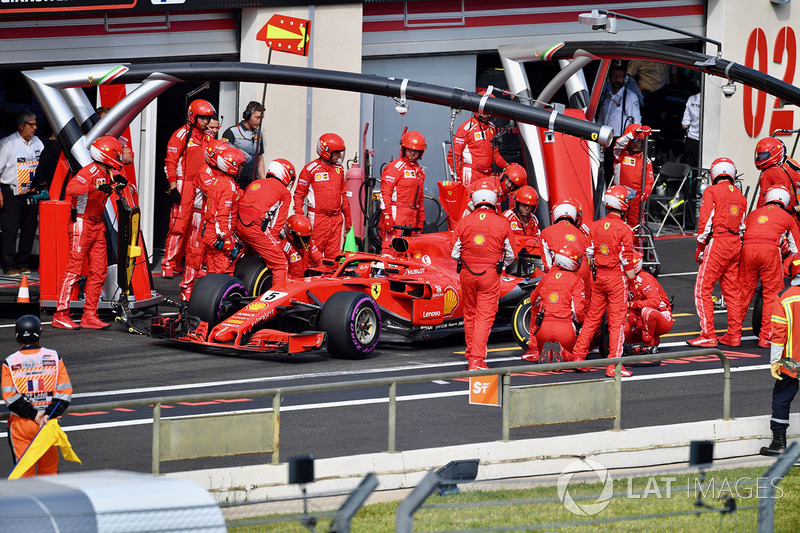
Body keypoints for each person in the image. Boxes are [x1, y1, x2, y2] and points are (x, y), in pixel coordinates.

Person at [53, 136, 126, 330]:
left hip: (97, 225)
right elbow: (71, 188)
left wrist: (117, 183)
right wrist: (96, 187)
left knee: (99, 270)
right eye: (116, 154)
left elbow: (107, 185)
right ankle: (60, 314)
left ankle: (89, 314)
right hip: (81, 224)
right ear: (107, 154)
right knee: (74, 270)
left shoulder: (107, 171)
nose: (119, 156)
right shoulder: (91, 171)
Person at [571, 185, 637, 378]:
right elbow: (627, 260)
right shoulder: (625, 229)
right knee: (617, 323)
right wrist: (632, 283)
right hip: (617, 278)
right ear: (622, 204)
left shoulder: (596, 226)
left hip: (598, 276)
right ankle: (614, 365)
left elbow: (589, 253)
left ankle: (578, 357)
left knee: (592, 319)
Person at [451, 184, 515, 371]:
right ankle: (477, 360)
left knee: (470, 314)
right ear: (494, 203)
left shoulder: (465, 221)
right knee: (484, 316)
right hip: (489, 273)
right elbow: (511, 253)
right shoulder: (502, 223)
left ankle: (471, 352)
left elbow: (454, 252)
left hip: (467, 273)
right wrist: (500, 264)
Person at [727, 186, 800, 348]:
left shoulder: (754, 214)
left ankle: (734, 334)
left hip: (747, 250)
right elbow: (797, 250)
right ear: (785, 201)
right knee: (771, 294)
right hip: (770, 252)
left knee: (743, 292)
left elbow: (740, 233)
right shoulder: (788, 218)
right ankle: (766, 336)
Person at [2, 315, 72, 477]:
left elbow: (10, 397)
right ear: (39, 334)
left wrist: (34, 415)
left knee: (23, 473)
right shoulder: (54, 357)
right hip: (47, 424)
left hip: (22, 425)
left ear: (17, 336)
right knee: (49, 473)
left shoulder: (10, 362)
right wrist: (46, 414)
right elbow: (65, 392)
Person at [689, 157, 747, 347]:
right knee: (732, 291)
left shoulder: (711, 190)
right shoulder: (740, 196)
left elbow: (705, 222)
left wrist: (700, 247)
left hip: (718, 242)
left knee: (702, 289)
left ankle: (708, 334)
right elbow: (742, 226)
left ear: (715, 173)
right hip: (735, 243)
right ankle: (734, 334)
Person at [161, 99, 214, 279]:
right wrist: (173, 186)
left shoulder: (208, 138)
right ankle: (168, 263)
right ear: (193, 116)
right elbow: (171, 161)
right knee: (178, 225)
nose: (206, 122)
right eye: (203, 118)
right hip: (184, 184)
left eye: (208, 118)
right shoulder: (181, 134)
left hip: (202, 186)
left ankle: (192, 265)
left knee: (197, 228)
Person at [760, 253, 800, 456]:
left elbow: (778, 334)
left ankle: (779, 443)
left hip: (792, 361)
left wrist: (774, 361)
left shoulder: (785, 296)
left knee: (782, 398)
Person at [522, 242, 587, 364]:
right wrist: (583, 323)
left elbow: (533, 300)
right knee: (578, 353)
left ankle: (541, 351)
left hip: (543, 330)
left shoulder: (546, 278)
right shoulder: (577, 281)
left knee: (535, 311)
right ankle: (564, 352)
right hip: (564, 329)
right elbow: (578, 311)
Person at [237, 159, 297, 290]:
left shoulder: (256, 182)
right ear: (285, 175)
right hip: (256, 229)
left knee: (237, 259)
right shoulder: (284, 193)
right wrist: (273, 246)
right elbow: (276, 226)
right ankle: (277, 301)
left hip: (239, 227)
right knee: (280, 264)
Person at [293, 133, 352, 259]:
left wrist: (348, 217)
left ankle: (330, 277)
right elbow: (299, 194)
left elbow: (343, 194)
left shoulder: (339, 169)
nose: (339, 156)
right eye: (336, 153)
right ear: (326, 152)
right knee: (313, 255)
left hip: (336, 219)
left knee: (334, 257)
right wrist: (300, 218)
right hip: (318, 219)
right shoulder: (310, 169)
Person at [0, 111, 44, 277]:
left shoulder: (37, 142)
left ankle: (23, 262)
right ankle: (9, 264)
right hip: (11, 191)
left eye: (35, 124)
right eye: (31, 125)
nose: (35, 127)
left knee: (29, 228)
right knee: (10, 229)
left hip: (30, 193)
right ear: (21, 126)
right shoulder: (8, 144)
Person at [447, 90, 508, 188]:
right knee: (469, 203)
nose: (489, 114)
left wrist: (507, 166)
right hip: (470, 175)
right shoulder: (466, 128)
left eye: (491, 110)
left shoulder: (492, 128)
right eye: (487, 110)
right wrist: (457, 177)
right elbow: (453, 156)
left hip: (488, 175)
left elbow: (495, 154)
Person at [200, 146, 245, 278]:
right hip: (219, 235)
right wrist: (226, 238)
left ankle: (208, 297)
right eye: (240, 165)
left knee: (211, 273)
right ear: (232, 166)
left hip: (209, 232)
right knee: (224, 273)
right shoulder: (228, 186)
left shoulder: (217, 181)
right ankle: (223, 298)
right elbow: (222, 214)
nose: (242, 168)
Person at [380, 131, 426, 250]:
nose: (412, 153)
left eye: (415, 151)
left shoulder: (419, 171)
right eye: (409, 149)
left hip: (412, 216)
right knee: (391, 250)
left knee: (407, 252)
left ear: (421, 152)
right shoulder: (394, 167)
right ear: (403, 149)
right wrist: (387, 216)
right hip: (397, 213)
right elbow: (385, 194)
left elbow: (420, 197)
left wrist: (421, 219)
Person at [597, 62, 642, 181]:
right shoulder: (605, 96)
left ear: (625, 79)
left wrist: (634, 141)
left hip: (621, 140)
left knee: (617, 173)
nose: (617, 79)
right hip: (605, 139)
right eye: (614, 76)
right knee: (605, 171)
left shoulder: (631, 97)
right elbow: (601, 117)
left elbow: (636, 121)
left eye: (620, 76)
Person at [539, 198, 591, 299]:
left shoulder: (546, 232)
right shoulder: (582, 235)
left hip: (560, 272)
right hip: (582, 273)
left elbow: (547, 264)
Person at [626, 251, 673, 349]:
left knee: (647, 312)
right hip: (642, 321)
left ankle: (648, 343)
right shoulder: (628, 281)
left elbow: (654, 302)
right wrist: (632, 318)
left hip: (662, 317)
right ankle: (650, 338)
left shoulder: (645, 278)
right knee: (620, 332)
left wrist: (633, 305)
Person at [613, 123, 654, 228]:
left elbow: (649, 181)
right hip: (620, 196)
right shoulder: (620, 155)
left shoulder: (646, 160)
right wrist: (634, 133)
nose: (637, 144)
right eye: (634, 141)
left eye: (639, 141)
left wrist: (647, 191)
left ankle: (635, 244)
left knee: (636, 227)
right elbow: (619, 143)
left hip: (637, 198)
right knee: (617, 225)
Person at [222, 101, 265, 188]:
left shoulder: (258, 134)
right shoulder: (231, 132)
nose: (259, 121)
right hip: (235, 182)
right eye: (257, 117)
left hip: (253, 183)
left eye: (262, 118)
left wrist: (263, 180)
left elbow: (259, 159)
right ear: (248, 115)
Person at [754, 137, 800, 215]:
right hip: (793, 213)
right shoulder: (788, 168)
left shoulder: (767, 174)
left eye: (763, 155)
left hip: (778, 213)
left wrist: (758, 215)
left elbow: (762, 199)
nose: (760, 158)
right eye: (759, 155)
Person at [281, 214, 322, 278]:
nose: (304, 241)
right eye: (301, 237)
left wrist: (320, 273)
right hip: (292, 282)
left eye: (306, 237)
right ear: (291, 234)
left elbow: (319, 259)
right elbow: (280, 270)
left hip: (306, 280)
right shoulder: (284, 247)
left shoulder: (308, 243)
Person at [681, 92, 701, 170]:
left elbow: (684, 125)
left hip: (691, 140)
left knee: (691, 172)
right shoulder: (712, 100)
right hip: (703, 143)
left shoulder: (692, 98)